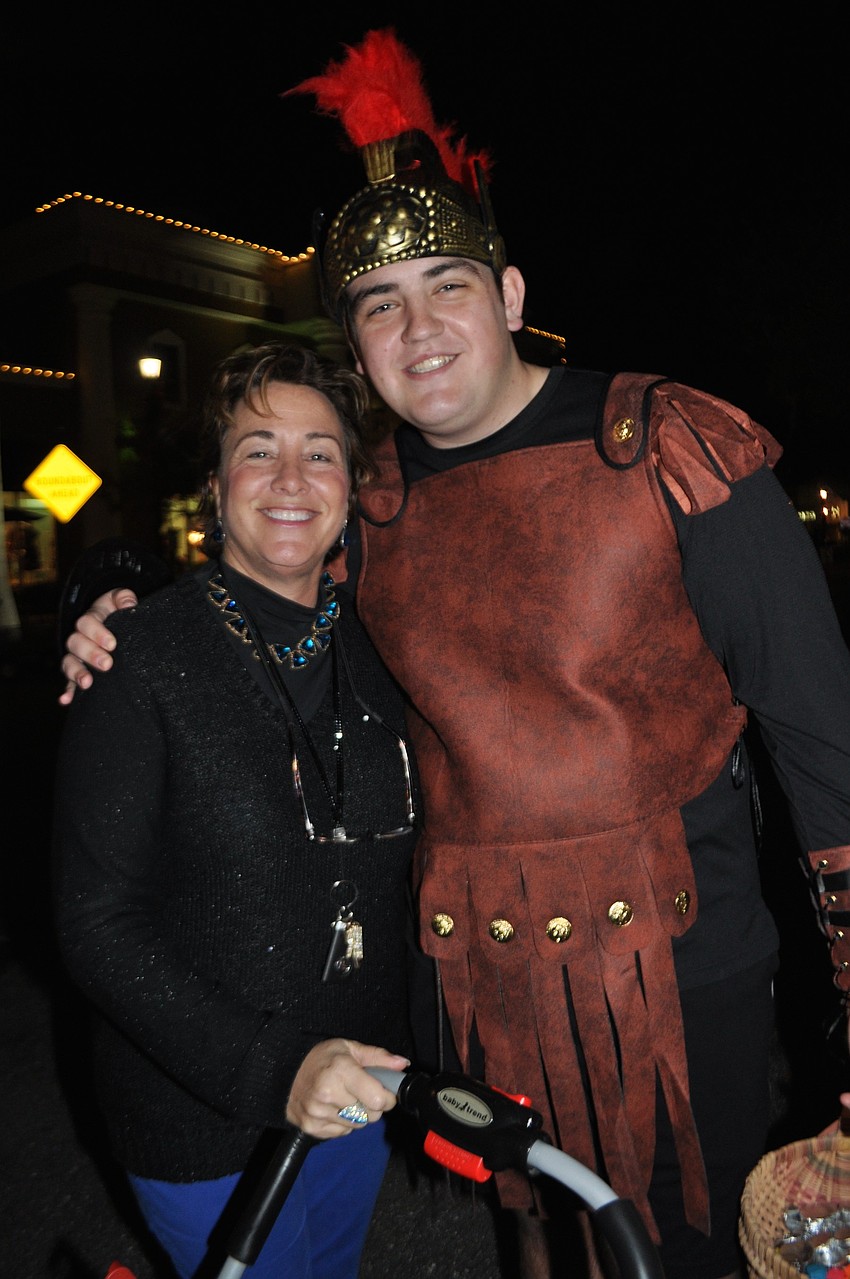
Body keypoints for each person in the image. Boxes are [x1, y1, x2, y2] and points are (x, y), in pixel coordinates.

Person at [58, 29, 850, 1279]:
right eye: (380, 304)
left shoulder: (662, 442)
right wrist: (112, 590)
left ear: (514, 296)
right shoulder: (368, 508)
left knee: (687, 1252)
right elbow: (257, 584)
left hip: (680, 974)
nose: (417, 327)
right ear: (358, 349)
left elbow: (825, 740)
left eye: (448, 286)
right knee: (542, 1253)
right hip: (476, 984)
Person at [52, 340, 420, 1279]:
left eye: (320, 450)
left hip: (359, 1091)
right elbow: (95, 924)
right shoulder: (136, 658)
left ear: (349, 488)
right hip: (200, 1116)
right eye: (258, 449)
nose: (291, 476)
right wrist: (273, 1068)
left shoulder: (384, 653)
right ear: (215, 488)